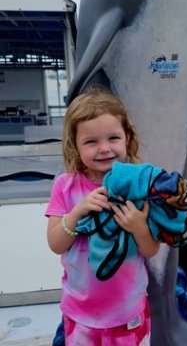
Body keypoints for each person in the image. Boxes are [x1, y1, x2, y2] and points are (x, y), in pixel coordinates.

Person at [46, 88, 159, 346]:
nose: (104, 148)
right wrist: (78, 211)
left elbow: (151, 250)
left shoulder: (139, 185)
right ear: (75, 145)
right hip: (80, 314)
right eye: (91, 141)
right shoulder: (65, 186)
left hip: (129, 313)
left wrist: (138, 226)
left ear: (127, 138)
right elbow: (55, 244)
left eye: (113, 138)